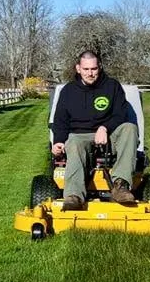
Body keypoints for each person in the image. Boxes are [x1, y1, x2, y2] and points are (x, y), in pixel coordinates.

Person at [51, 50, 138, 210]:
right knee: (73, 142)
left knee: (130, 128)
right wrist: (58, 141)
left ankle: (120, 185)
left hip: (109, 135)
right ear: (78, 68)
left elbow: (120, 114)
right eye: (86, 69)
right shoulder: (68, 91)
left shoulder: (112, 86)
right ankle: (74, 196)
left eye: (94, 69)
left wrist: (105, 127)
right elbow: (60, 120)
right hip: (80, 136)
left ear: (100, 67)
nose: (90, 73)